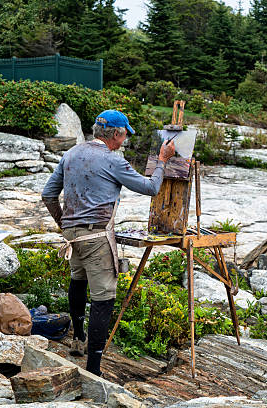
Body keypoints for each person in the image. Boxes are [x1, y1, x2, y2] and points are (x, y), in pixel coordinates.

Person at [41, 109, 175, 376]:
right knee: (104, 298)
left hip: (72, 236)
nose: (124, 140)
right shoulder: (112, 160)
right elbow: (151, 188)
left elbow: (48, 194)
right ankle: (93, 369)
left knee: (78, 282)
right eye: (124, 134)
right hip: (97, 237)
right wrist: (162, 160)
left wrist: (65, 225)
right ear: (115, 134)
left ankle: (78, 339)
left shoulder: (71, 154)